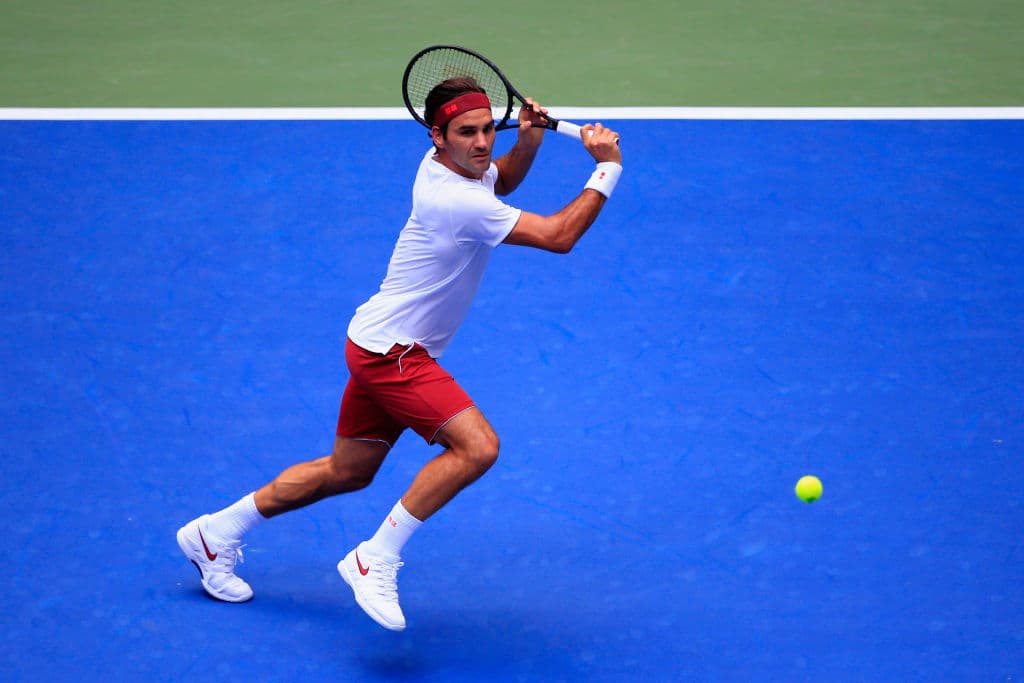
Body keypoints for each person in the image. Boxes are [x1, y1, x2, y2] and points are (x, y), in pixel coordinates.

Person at [177, 77, 623, 631]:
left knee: (348, 471)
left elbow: (499, 178)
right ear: (437, 135)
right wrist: (606, 167)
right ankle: (374, 558)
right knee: (477, 448)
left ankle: (214, 533)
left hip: (372, 341)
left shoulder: (452, 167)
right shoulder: (452, 199)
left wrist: (527, 139)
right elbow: (559, 235)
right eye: (467, 132)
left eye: (489, 129)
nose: (483, 143)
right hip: (396, 354)